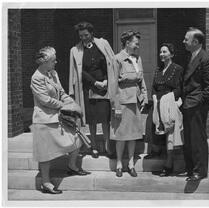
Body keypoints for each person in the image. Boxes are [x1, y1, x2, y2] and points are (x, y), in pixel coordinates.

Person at [31, 46, 90, 195]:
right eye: (53, 60)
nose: (56, 62)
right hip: (43, 120)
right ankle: (46, 182)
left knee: (77, 138)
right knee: (45, 153)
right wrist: (65, 106)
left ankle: (72, 166)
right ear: (44, 62)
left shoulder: (53, 73)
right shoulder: (36, 78)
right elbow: (45, 100)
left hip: (57, 116)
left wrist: (72, 103)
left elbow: (61, 92)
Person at [69, 22, 116, 158]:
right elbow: (79, 72)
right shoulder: (75, 50)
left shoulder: (103, 44)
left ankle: (108, 147)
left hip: (104, 87)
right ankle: (94, 147)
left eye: (86, 35)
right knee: (92, 119)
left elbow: (111, 64)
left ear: (92, 33)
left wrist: (107, 80)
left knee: (105, 118)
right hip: (88, 88)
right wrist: (95, 82)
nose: (83, 38)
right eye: (81, 36)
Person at [181, 27, 209, 181]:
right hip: (188, 105)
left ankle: (199, 171)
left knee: (197, 138)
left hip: (196, 106)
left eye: (186, 39)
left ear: (195, 42)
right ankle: (191, 170)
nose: (183, 41)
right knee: (189, 139)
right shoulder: (191, 56)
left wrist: (199, 102)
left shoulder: (206, 59)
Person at [111, 30, 148, 177]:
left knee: (133, 134)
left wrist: (144, 96)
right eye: (136, 43)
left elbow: (141, 80)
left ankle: (131, 163)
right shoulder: (117, 59)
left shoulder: (137, 59)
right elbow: (113, 84)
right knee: (121, 134)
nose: (138, 46)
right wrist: (116, 106)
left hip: (135, 102)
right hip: (123, 102)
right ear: (127, 43)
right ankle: (120, 163)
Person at [150, 43, 184, 176]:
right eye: (160, 52)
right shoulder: (158, 70)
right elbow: (153, 87)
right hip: (157, 104)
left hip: (170, 105)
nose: (161, 54)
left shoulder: (178, 69)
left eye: (164, 52)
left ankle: (169, 164)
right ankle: (157, 152)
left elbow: (179, 89)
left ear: (172, 54)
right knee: (155, 129)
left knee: (170, 132)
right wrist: (154, 98)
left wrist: (166, 99)